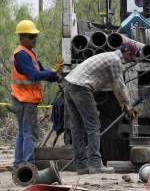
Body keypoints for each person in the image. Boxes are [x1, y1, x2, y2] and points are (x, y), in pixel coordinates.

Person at [64, 41, 139, 174]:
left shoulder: (109, 56)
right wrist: (128, 106)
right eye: (131, 58)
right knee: (93, 126)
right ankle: (95, 164)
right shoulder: (115, 60)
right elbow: (119, 86)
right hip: (81, 87)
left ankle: (81, 166)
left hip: (70, 84)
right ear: (126, 53)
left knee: (77, 129)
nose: (130, 61)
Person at [11, 20, 60, 168]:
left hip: (22, 99)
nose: (34, 39)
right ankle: (27, 166)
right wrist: (51, 74)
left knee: (23, 133)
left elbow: (41, 71)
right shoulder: (21, 55)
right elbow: (34, 74)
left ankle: (19, 165)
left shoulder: (29, 54)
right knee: (29, 134)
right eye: (31, 37)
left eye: (35, 36)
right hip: (24, 100)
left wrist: (55, 75)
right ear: (22, 37)